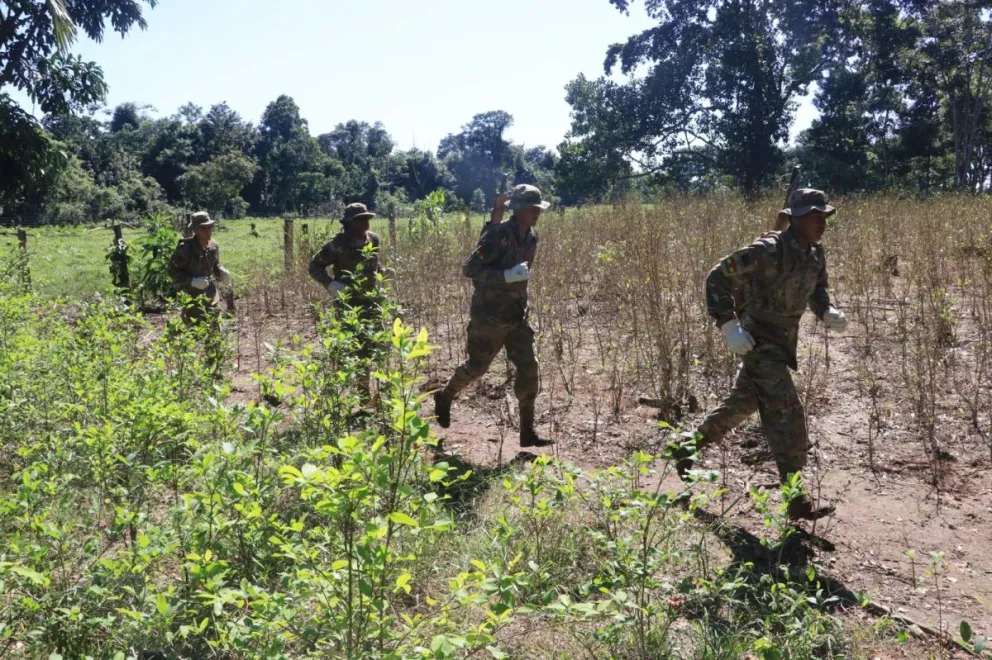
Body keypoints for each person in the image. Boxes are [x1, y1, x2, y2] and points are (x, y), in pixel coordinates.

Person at [677, 188, 848, 520]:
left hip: (784, 341)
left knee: (742, 404)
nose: (821, 224)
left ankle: (686, 447)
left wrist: (827, 310)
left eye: (823, 217)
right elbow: (717, 278)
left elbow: (818, 289)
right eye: (814, 217)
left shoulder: (814, 254)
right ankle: (796, 499)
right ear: (796, 219)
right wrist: (728, 325)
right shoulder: (766, 251)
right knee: (787, 412)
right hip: (757, 340)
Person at [434, 184, 551, 448]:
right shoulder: (498, 235)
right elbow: (469, 270)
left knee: (529, 368)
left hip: (518, 315)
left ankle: (527, 432)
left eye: (538, 209)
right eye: (532, 208)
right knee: (477, 368)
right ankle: (446, 395)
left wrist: (516, 284)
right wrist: (505, 276)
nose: (537, 213)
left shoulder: (532, 237)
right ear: (519, 210)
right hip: (489, 316)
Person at [308, 203, 392, 393]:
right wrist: (330, 285)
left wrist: (382, 272)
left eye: (367, 218)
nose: (366, 223)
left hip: (373, 303)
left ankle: (383, 396)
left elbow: (374, 264)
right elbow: (314, 267)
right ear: (349, 224)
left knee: (381, 347)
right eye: (361, 220)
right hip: (349, 306)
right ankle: (358, 395)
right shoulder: (337, 244)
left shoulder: (373, 240)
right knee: (356, 351)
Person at [167, 211, 232, 323]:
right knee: (195, 331)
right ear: (196, 230)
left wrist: (221, 272)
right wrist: (192, 281)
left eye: (210, 227)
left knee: (215, 329)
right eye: (204, 228)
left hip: (211, 295)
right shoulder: (185, 249)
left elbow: (215, 265)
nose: (208, 231)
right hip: (192, 298)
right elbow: (171, 271)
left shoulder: (213, 246)